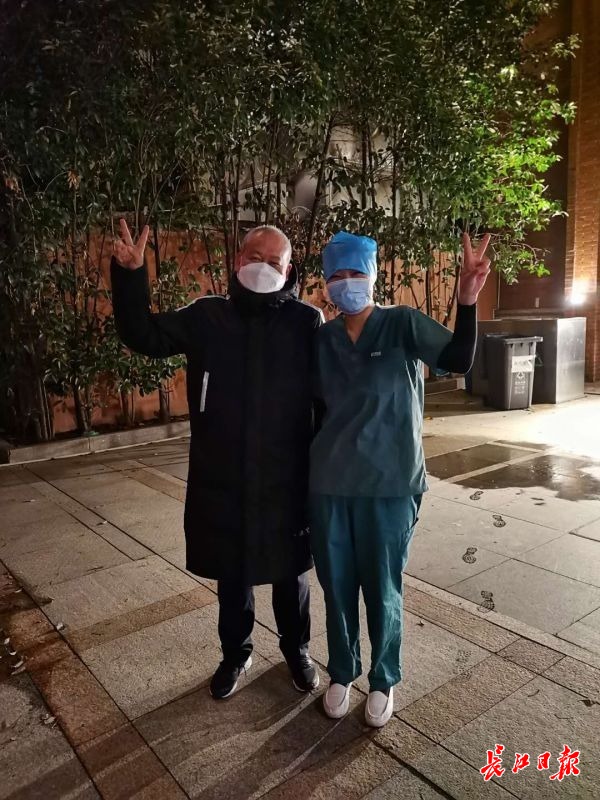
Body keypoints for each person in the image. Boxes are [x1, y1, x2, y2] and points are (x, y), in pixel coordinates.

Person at [111, 219, 323, 699]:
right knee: (233, 572)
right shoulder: (208, 317)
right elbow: (144, 334)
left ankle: (297, 650)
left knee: (291, 572)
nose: (263, 267)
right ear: (237, 260)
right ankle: (235, 654)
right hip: (224, 475)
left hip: (287, 477)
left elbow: (326, 397)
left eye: (274, 262)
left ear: (290, 270)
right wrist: (130, 275)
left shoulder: (305, 323)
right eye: (255, 257)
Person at [310, 229, 490, 727]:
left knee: (383, 586)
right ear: (327, 283)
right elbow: (310, 410)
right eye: (338, 275)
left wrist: (467, 301)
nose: (347, 282)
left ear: (373, 276)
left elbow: (457, 359)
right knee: (335, 584)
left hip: (390, 484)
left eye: (356, 272)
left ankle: (383, 677)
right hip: (329, 484)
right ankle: (342, 671)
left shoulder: (402, 324)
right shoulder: (322, 340)